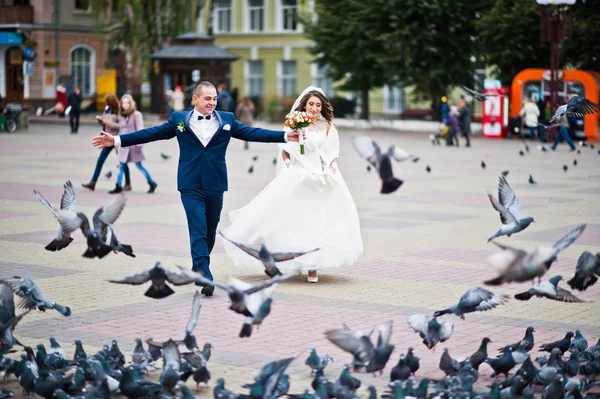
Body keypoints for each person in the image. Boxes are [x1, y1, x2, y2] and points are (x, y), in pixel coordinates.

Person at [91, 81, 303, 296]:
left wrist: (285, 136)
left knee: (210, 230)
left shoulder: (227, 119)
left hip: (215, 183)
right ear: (195, 99)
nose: (212, 103)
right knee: (198, 227)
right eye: (207, 98)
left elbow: (253, 133)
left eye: (214, 99)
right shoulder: (178, 120)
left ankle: (199, 265)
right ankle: (204, 273)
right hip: (190, 183)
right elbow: (151, 133)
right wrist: (117, 140)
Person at [221, 86, 363, 283]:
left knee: (319, 220)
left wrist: (332, 167)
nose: (314, 108)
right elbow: (286, 149)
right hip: (299, 175)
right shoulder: (295, 123)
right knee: (297, 220)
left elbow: (332, 153)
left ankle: (313, 266)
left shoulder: (328, 127)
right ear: (304, 105)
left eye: (318, 105)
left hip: (321, 178)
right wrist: (288, 164)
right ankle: (296, 261)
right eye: (311, 104)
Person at [109, 94, 157, 194]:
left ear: (131, 104)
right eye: (123, 103)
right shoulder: (121, 115)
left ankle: (151, 182)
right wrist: (116, 143)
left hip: (134, 145)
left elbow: (140, 129)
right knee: (120, 165)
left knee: (139, 165)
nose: (125, 105)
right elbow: (120, 129)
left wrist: (140, 143)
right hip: (123, 144)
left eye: (127, 103)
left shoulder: (137, 114)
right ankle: (118, 185)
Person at [82, 93, 131, 191]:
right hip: (107, 139)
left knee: (122, 161)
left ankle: (128, 183)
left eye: (107, 101)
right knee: (100, 160)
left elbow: (121, 126)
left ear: (110, 101)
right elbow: (105, 122)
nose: (105, 103)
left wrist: (107, 122)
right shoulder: (107, 109)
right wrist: (101, 121)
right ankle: (93, 182)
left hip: (117, 139)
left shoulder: (119, 111)